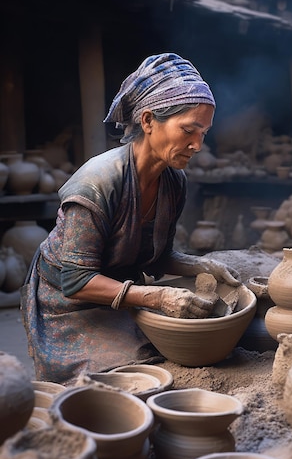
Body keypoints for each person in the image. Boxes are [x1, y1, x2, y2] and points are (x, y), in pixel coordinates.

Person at [21, 52, 241, 384]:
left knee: (173, 353)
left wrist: (201, 266)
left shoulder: (173, 180)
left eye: (204, 134)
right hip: (65, 304)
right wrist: (158, 296)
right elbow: (77, 281)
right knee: (134, 370)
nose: (197, 145)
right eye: (189, 130)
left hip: (119, 293)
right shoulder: (97, 183)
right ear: (149, 120)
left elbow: (157, 255)